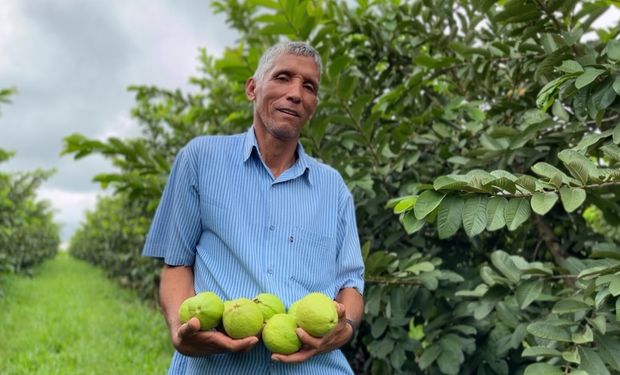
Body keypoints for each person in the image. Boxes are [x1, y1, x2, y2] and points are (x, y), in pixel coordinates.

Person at [142, 41, 365, 375]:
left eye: (309, 87)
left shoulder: (333, 188)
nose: (295, 93)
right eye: (283, 77)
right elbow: (177, 265)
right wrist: (181, 333)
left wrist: (341, 330)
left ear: (314, 105)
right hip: (216, 366)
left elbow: (351, 285)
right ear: (252, 88)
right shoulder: (200, 160)